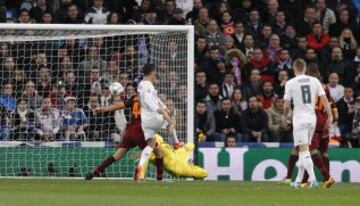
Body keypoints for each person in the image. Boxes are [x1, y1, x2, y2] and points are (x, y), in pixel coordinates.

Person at [283, 59, 333, 188]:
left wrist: (285, 116)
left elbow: (287, 104)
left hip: (300, 119)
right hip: (312, 119)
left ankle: (313, 179)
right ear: (304, 68)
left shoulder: (290, 83)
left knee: (304, 150)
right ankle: (298, 181)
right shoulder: (315, 81)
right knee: (302, 149)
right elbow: (324, 99)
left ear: (294, 69)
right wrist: (330, 115)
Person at [134, 64, 180, 181]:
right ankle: (177, 143)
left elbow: (150, 99)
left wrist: (163, 106)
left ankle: (140, 167)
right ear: (152, 72)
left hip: (145, 120)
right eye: (155, 73)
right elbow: (150, 101)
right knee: (168, 118)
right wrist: (161, 111)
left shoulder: (140, 85)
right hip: (154, 116)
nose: (156, 76)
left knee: (151, 145)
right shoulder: (148, 86)